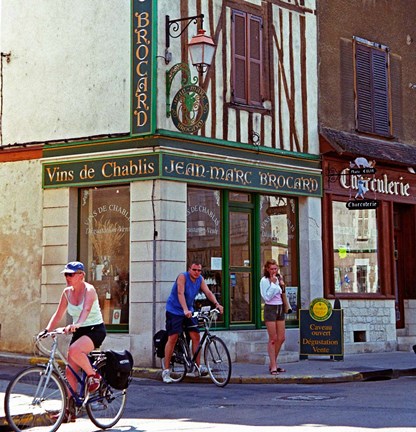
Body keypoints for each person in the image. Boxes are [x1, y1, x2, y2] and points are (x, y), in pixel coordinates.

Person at [44, 261, 106, 420]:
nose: (67, 277)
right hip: (79, 330)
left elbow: (85, 311)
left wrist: (77, 324)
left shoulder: (89, 290)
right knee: (70, 371)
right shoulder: (66, 292)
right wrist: (47, 330)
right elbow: (58, 314)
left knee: (75, 350)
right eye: (66, 274)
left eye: (71, 274)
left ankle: (94, 376)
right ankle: (68, 411)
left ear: (81, 275)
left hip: (95, 329)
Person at [162, 262, 224, 383]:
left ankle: (198, 367)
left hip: (189, 310)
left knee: (196, 336)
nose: (197, 272)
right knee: (173, 338)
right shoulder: (182, 277)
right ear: (189, 269)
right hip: (175, 310)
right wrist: (184, 309)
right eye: (194, 270)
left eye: (199, 270)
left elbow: (208, 292)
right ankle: (166, 370)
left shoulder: (200, 279)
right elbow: (180, 293)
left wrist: (217, 304)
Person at [260, 259, 286, 375]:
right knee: (273, 339)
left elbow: (281, 293)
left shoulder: (279, 279)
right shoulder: (264, 281)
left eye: (275, 269)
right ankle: (274, 365)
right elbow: (267, 297)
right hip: (270, 308)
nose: (273, 271)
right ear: (267, 269)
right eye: (271, 269)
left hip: (280, 307)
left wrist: (281, 285)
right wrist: (274, 285)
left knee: (281, 337)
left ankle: (273, 362)